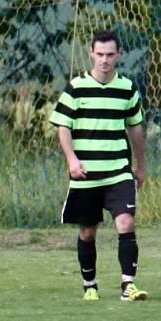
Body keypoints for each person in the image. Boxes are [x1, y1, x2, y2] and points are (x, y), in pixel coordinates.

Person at [49, 29, 147, 302]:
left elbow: (136, 128)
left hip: (118, 170)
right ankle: (89, 285)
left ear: (119, 55)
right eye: (100, 54)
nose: (105, 60)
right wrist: (72, 160)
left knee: (126, 223)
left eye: (110, 55)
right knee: (87, 231)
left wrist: (140, 166)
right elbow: (62, 126)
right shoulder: (77, 87)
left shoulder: (127, 88)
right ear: (91, 53)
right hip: (87, 173)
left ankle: (128, 286)